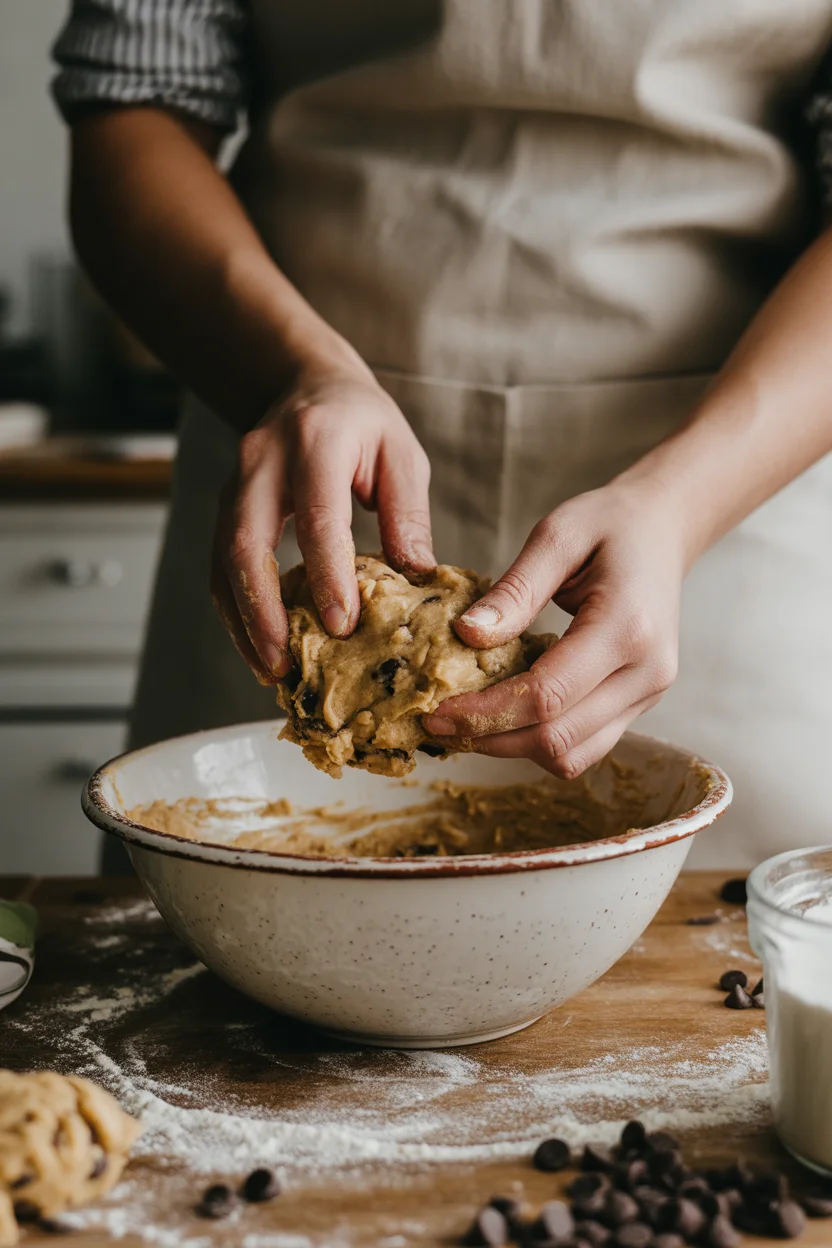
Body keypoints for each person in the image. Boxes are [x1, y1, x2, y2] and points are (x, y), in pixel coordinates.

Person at [52, 2, 832, 871]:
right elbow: (133, 103)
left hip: (736, 472)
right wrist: (290, 374)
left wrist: (682, 503)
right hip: (296, 437)